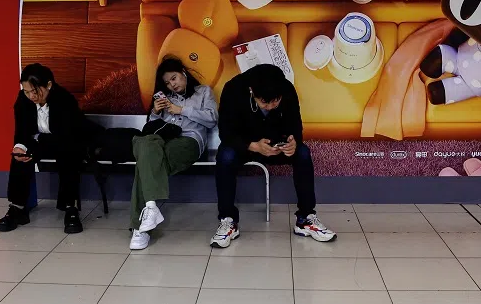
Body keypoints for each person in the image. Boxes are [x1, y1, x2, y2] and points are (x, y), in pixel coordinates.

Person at [211, 63, 336, 248]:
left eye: (275, 101)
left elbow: (296, 127)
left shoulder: (286, 89)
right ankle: (228, 221)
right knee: (225, 156)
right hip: (246, 146)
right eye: (264, 102)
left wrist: (292, 142)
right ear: (252, 91)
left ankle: (306, 219)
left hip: (277, 146)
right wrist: (253, 146)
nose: (270, 107)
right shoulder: (234, 89)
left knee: (303, 153)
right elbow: (226, 134)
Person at [129, 58, 218, 250]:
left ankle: (140, 228)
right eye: (168, 82)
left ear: (184, 73)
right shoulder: (165, 97)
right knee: (145, 145)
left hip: (190, 141)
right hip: (163, 139)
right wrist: (155, 111)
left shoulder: (203, 92)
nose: (173, 84)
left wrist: (182, 110)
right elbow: (150, 127)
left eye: (174, 78)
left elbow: (212, 119)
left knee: (145, 162)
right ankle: (151, 208)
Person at [0, 63, 86, 234]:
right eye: (26, 91)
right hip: (39, 140)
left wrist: (36, 146)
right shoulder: (23, 100)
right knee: (19, 157)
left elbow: (66, 135)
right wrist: (20, 147)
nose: (31, 96)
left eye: (35, 91)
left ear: (49, 85)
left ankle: (70, 207)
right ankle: (18, 207)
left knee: (69, 154)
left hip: (66, 140)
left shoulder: (64, 100)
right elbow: (22, 130)